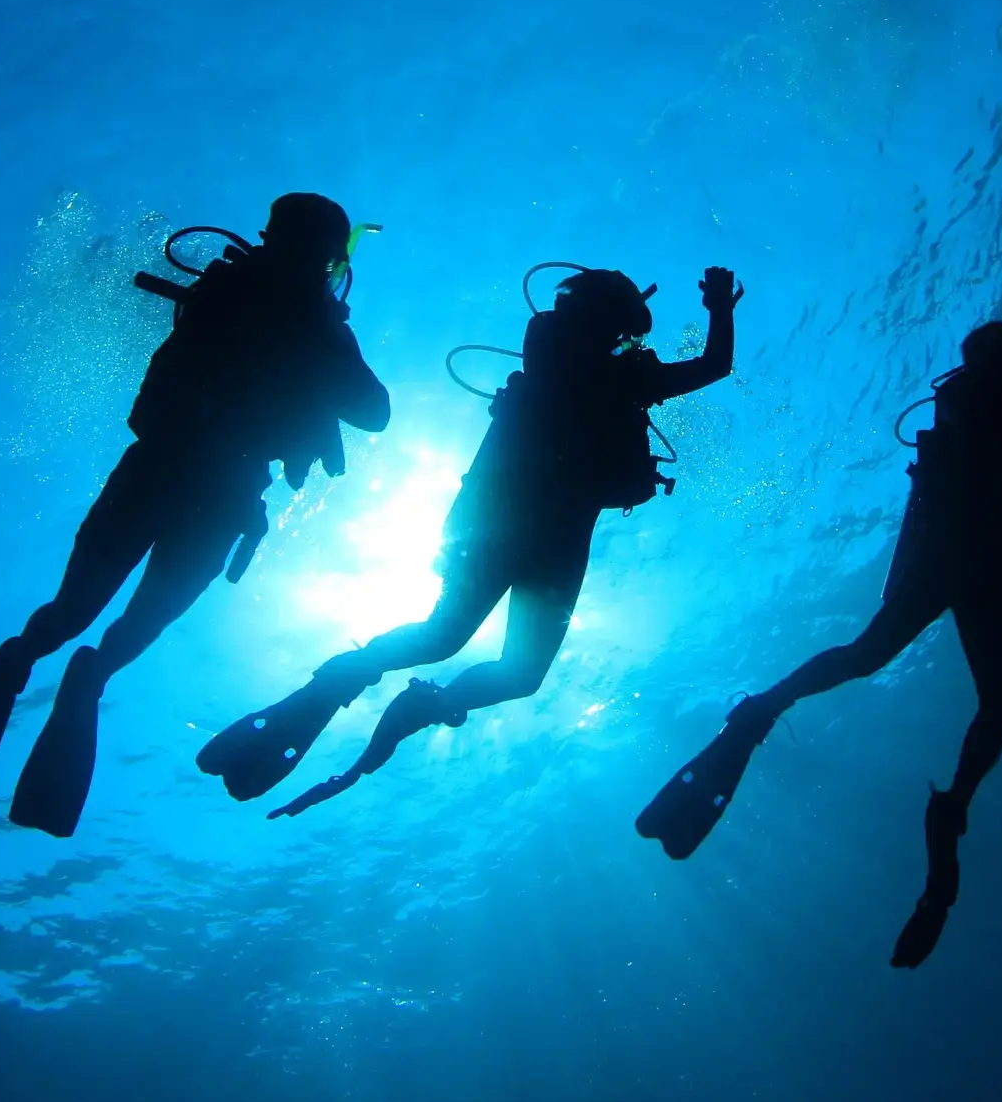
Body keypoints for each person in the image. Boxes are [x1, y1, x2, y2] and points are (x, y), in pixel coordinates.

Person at [0, 193, 391, 837]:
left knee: (72, 611)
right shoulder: (310, 321)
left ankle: (27, 661)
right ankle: (89, 673)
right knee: (140, 621)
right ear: (328, 256)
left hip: (159, 475)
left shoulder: (234, 289)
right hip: (220, 496)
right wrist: (329, 331)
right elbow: (373, 412)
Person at [636, 322, 1002, 969]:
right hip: (956, 561)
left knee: (925, 678)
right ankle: (927, 796)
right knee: (916, 674)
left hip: (968, 564)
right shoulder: (983, 404)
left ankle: (797, 726)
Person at [197, 264, 744, 814]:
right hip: (536, 531)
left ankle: (357, 684)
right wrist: (719, 305)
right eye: (625, 327)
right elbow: (714, 364)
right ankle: (406, 697)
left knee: (458, 643)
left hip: (509, 524)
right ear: (607, 316)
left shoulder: (562, 353)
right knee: (496, 662)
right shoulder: (611, 371)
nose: (628, 340)